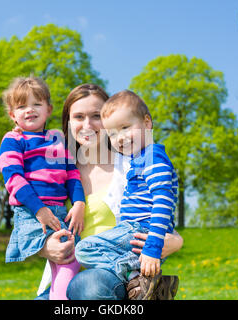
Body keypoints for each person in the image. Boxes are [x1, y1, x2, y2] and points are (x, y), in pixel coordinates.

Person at [36, 84, 183, 300]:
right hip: (64, 277)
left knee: (87, 286)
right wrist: (45, 248)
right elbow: (32, 228)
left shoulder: (130, 165)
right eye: (78, 117)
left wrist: (177, 241)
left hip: (108, 278)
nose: (87, 124)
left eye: (96, 115)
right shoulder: (57, 173)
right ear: (68, 122)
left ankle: (139, 288)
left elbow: (160, 207)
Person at [74, 90, 179, 300]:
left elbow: (163, 203)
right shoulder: (140, 159)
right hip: (132, 234)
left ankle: (135, 275)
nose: (119, 138)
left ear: (147, 123)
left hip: (139, 231)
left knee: (85, 249)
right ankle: (140, 278)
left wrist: (153, 248)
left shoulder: (151, 159)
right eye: (112, 133)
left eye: (125, 128)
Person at [0, 76, 86, 300]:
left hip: (58, 211)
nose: (29, 110)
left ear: (48, 109)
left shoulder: (57, 141)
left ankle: (55, 297)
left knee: (68, 259)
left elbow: (72, 174)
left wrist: (78, 203)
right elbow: (13, 179)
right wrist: (39, 209)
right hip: (31, 213)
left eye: (36, 104)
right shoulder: (13, 140)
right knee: (70, 256)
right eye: (21, 106)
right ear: (12, 115)